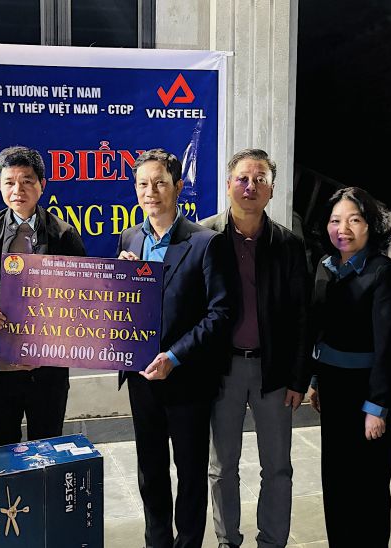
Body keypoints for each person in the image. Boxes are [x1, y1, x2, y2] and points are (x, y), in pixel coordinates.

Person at [117, 148, 231, 548]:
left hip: (186, 378)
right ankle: (157, 541)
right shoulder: (130, 238)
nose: (151, 191)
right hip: (140, 378)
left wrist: (175, 356)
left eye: (160, 183)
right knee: (149, 469)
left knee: (190, 471)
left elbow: (219, 315)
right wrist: (121, 282)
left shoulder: (205, 243)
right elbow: (125, 307)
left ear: (178, 187)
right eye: (143, 184)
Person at [199, 149, 309, 548]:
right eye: (243, 178)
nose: (250, 186)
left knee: (277, 466)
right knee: (222, 467)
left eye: (259, 179)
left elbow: (301, 317)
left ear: (272, 189)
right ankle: (229, 540)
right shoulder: (204, 237)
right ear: (228, 185)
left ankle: (272, 541)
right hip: (222, 371)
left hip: (273, 373)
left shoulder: (288, 244)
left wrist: (299, 377)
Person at [0, 145, 86, 447]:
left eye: (27, 180)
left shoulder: (64, 235)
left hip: (47, 372)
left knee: (47, 449)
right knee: (1, 449)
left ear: (42, 185)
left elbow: (82, 299)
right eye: (9, 182)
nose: (18, 190)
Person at [307, 187, 391, 547]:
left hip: (367, 391)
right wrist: (317, 379)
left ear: (371, 225)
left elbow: (389, 348)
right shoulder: (325, 265)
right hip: (333, 386)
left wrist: (378, 407)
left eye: (354, 219)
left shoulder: (385, 273)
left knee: (368, 485)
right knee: (335, 480)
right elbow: (320, 330)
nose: (343, 228)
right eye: (336, 220)